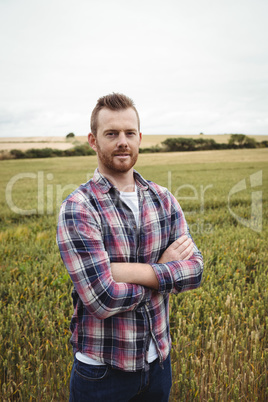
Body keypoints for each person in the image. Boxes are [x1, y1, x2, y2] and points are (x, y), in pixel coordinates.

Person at [57, 93, 203, 402]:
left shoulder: (163, 198)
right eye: (111, 133)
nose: (122, 141)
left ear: (140, 138)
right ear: (93, 140)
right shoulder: (79, 207)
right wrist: (164, 272)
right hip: (102, 374)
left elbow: (195, 271)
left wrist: (130, 272)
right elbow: (102, 298)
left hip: (158, 365)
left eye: (129, 133)